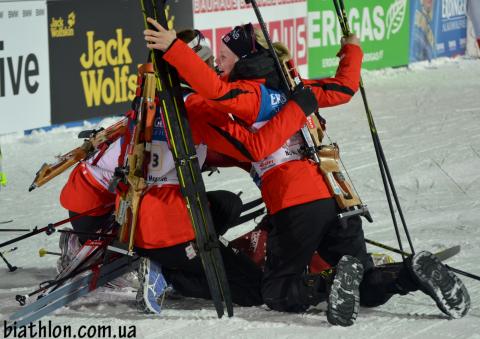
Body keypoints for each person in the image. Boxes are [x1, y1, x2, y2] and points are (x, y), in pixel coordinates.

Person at [144, 20, 471, 325]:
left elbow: (219, 96)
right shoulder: (294, 86)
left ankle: (329, 282)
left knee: (276, 291)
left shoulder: (249, 94)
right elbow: (345, 87)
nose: (218, 65)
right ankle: (408, 275)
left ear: (245, 60)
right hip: (337, 193)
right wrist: (352, 47)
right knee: (365, 284)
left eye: (224, 58)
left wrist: (175, 49)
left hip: (295, 200)